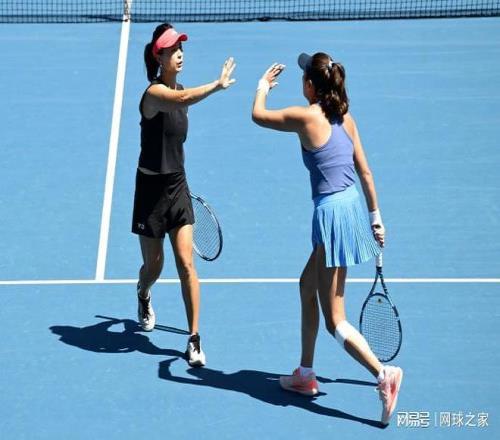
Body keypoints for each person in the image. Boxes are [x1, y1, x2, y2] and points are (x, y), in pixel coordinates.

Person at [251, 53, 402, 425]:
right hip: (351, 209)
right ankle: (305, 374)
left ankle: (383, 373)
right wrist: (376, 219)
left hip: (331, 216)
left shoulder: (305, 117)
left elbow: (258, 115)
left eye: (303, 75)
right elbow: (365, 173)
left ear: (309, 86)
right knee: (307, 286)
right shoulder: (346, 119)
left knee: (336, 320)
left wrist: (262, 87)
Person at [132, 23, 236, 367]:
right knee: (154, 266)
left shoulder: (182, 92)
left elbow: (180, 121)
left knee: (186, 263)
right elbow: (182, 99)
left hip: (176, 186)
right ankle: (143, 291)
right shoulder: (154, 94)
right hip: (150, 193)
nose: (179, 54)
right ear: (158, 57)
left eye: (181, 48)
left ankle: (194, 338)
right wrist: (217, 85)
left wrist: (178, 179)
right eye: (172, 50)